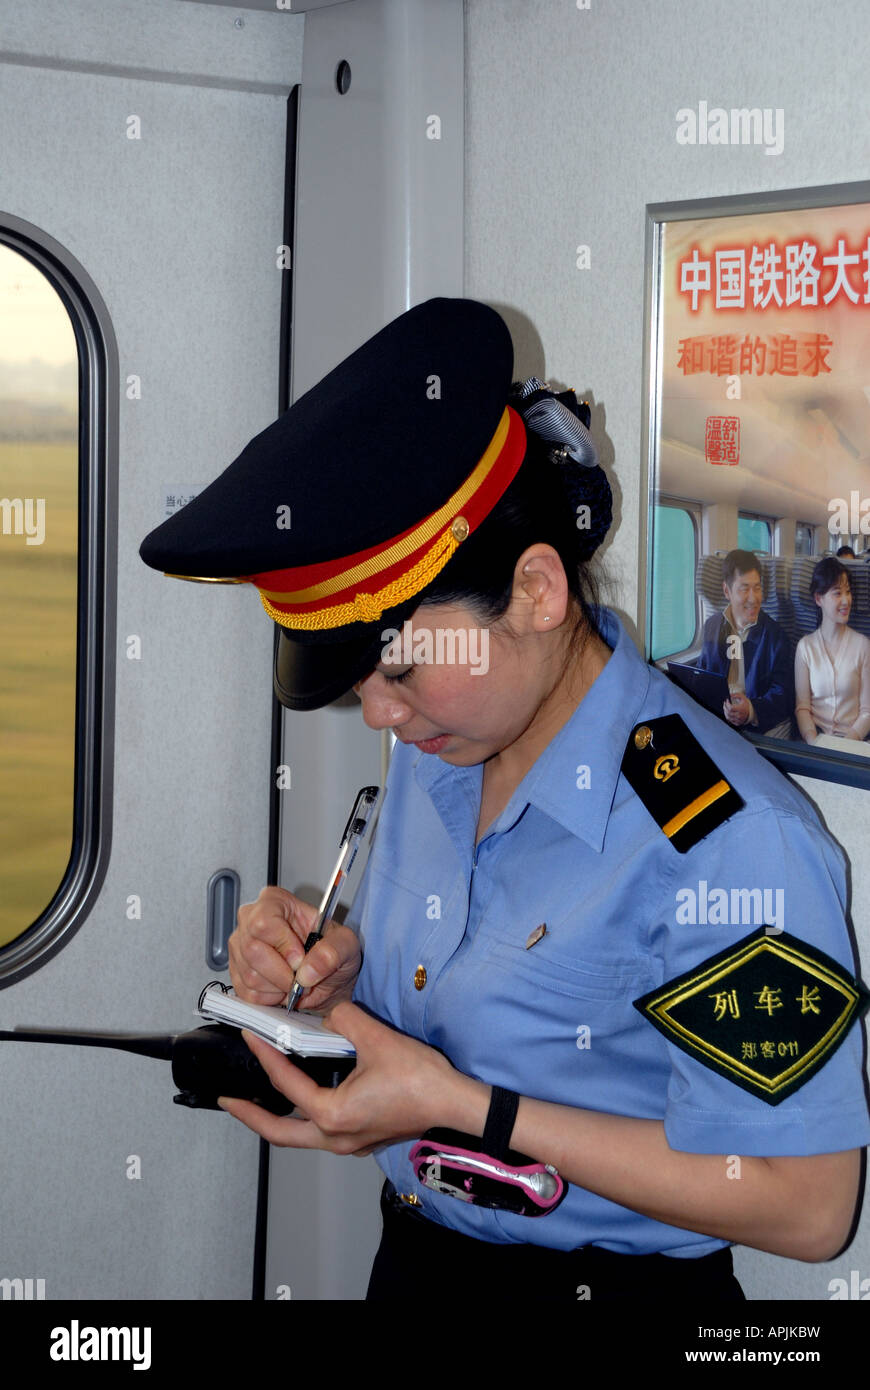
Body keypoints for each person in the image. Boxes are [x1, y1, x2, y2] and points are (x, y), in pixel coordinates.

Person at [139, 298, 869, 1302]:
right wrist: (332, 984)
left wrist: (462, 1104)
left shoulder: (729, 842)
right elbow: (462, 1019)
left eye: (400, 672)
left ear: (536, 589)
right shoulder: (439, 753)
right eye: (363, 687)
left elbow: (808, 1203)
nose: (380, 716)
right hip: (416, 1267)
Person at [696, 549, 794, 738]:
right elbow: (703, 678)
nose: (753, 598)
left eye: (757, 588)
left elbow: (783, 695)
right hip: (721, 719)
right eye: (744, 588)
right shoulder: (712, 627)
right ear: (727, 591)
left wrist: (750, 710)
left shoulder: (776, 636)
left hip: (764, 723)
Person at [795, 556, 870, 744]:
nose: (846, 601)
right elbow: (802, 708)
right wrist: (814, 743)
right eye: (837, 593)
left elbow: (867, 711)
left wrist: (846, 744)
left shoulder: (863, 645)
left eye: (848, 592)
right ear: (819, 598)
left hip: (854, 741)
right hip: (815, 739)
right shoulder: (805, 647)